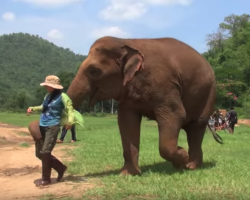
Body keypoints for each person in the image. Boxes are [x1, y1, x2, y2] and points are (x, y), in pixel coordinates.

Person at [27, 75, 84, 187]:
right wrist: (33, 108)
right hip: (42, 125)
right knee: (39, 153)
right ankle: (60, 167)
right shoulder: (48, 96)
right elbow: (43, 107)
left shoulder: (63, 97)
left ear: (54, 86)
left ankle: (46, 179)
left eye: (48, 85)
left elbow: (70, 110)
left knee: (45, 152)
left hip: (53, 126)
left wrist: (70, 122)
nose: (46, 87)